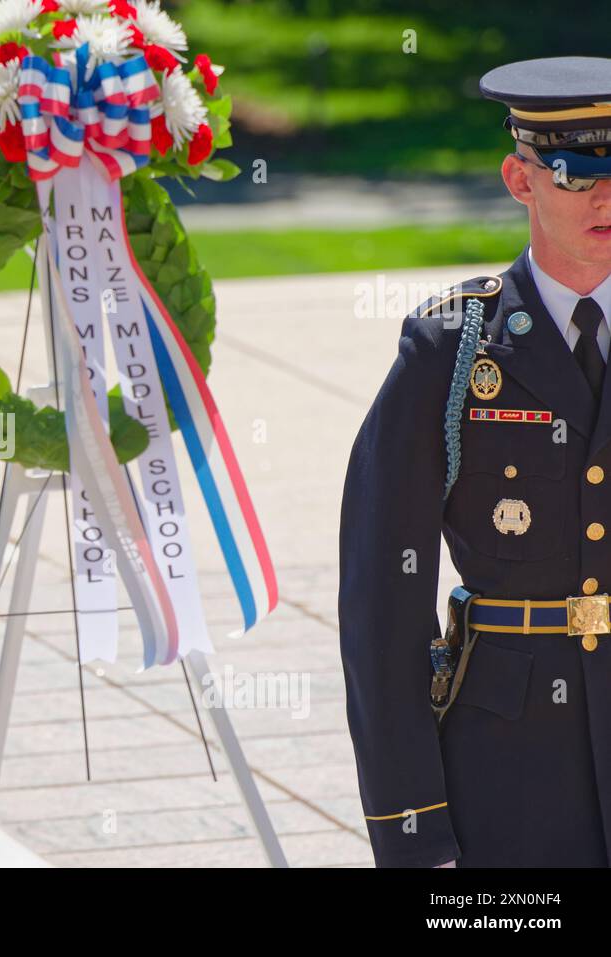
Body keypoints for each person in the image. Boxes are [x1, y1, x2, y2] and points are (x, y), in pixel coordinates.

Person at [340, 56, 611, 867]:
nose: (606, 195)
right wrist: (413, 829)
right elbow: (382, 604)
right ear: (519, 180)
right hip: (510, 762)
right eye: (575, 171)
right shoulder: (453, 351)